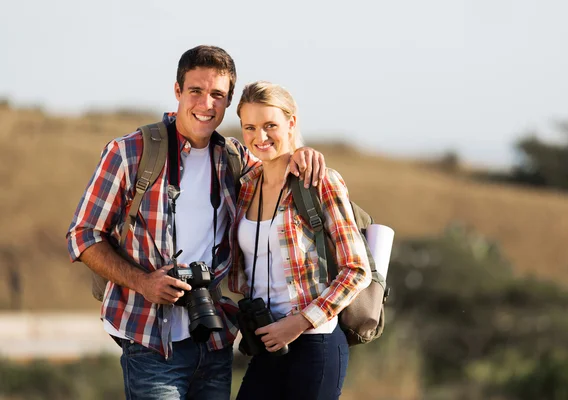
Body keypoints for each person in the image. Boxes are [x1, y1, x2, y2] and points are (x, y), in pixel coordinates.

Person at [66, 46, 326, 400]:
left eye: (217, 94)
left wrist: (300, 152)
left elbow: (274, 156)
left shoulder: (234, 159)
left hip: (214, 338)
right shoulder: (130, 152)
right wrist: (143, 283)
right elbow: (82, 236)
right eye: (196, 91)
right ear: (177, 91)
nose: (206, 104)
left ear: (228, 101)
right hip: (149, 340)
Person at [228, 81, 372, 400]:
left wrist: (297, 323)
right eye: (249, 127)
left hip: (314, 341)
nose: (259, 137)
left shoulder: (319, 181)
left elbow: (356, 270)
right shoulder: (247, 186)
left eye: (270, 125)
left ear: (291, 123)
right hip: (265, 339)